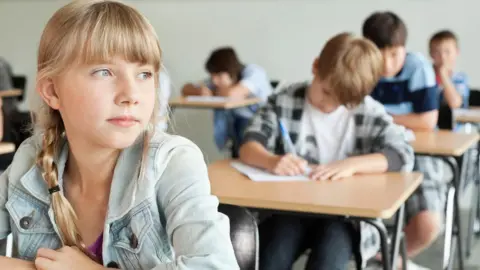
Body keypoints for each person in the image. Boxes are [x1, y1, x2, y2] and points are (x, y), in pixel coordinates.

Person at [0, 1, 238, 269]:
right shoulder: (31, 159)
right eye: (104, 72)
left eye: (145, 74)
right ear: (53, 92)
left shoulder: (172, 163)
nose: (131, 95)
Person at [239, 32, 414, 270]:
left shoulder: (367, 111)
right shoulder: (283, 100)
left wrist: (352, 165)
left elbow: (402, 153)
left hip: (345, 217)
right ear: (315, 67)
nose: (329, 104)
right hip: (289, 210)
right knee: (270, 259)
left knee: (327, 262)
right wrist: (270, 160)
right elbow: (249, 144)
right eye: (326, 92)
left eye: (341, 101)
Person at [363, 11, 443, 270]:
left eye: (394, 54)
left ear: (404, 49)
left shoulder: (418, 67)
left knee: (428, 223)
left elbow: (427, 121)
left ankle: (392, 257)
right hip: (371, 152)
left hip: (416, 150)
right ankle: (368, 251)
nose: (386, 64)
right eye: (379, 54)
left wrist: (383, 116)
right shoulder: (362, 67)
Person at [181, 47, 272, 157]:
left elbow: (233, 93)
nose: (214, 81)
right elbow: (185, 88)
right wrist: (199, 90)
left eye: (219, 76)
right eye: (212, 76)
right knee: (228, 117)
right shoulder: (217, 81)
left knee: (240, 122)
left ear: (231, 71)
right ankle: (234, 155)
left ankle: (242, 156)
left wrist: (212, 92)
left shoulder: (254, 72)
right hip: (236, 122)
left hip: (263, 122)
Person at [429, 30, 469, 110]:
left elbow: (455, 103)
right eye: (437, 52)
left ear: (456, 52)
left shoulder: (460, 78)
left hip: (453, 121)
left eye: (447, 52)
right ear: (431, 54)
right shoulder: (426, 76)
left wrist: (443, 74)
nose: (442, 57)